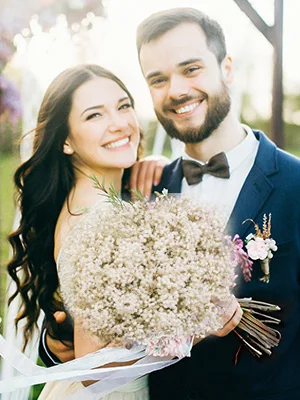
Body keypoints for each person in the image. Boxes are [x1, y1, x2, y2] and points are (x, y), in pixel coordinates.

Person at [7, 62, 241, 399]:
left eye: (123, 106)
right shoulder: (99, 224)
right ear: (66, 141)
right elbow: (94, 371)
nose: (119, 124)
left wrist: (160, 166)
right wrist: (196, 322)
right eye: (94, 116)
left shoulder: (93, 201)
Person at [134, 7, 300, 400]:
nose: (176, 91)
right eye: (158, 79)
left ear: (226, 68)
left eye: (191, 69)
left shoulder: (296, 185)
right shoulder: (142, 192)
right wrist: (56, 344)